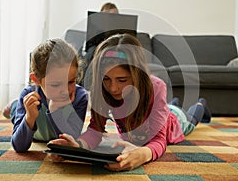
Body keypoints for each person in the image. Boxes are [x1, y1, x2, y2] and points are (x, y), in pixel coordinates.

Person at [48, 33, 211, 171]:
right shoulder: (104, 90)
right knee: (169, 106)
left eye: (122, 80)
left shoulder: (157, 87)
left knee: (190, 117)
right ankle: (172, 104)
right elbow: (95, 131)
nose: (113, 88)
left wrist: (144, 154)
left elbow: (159, 140)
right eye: (107, 79)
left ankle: (200, 105)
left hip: (174, 124)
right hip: (158, 112)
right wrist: (78, 145)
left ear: (136, 74)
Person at [6, 38, 88, 153]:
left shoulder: (80, 97)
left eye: (71, 82)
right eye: (55, 85)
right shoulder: (28, 95)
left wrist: (55, 110)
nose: (65, 91)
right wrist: (30, 117)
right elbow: (19, 147)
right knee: (16, 112)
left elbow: (72, 140)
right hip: (28, 106)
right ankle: (13, 106)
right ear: (36, 80)